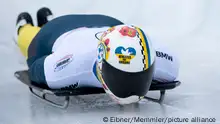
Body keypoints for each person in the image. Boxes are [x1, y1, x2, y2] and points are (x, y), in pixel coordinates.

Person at [14, 7, 179, 104]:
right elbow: (36, 66)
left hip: (110, 23)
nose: (132, 88)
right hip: (57, 30)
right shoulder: (69, 67)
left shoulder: (164, 62)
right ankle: (25, 29)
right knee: (32, 47)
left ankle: (45, 20)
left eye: (142, 75)